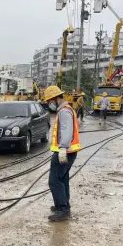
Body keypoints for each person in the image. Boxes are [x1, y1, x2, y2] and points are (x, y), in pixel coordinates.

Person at [44, 85, 81, 222]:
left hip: (65, 151)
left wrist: (63, 148)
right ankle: (64, 204)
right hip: (69, 151)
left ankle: (62, 209)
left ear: (55, 98)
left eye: (49, 101)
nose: (49, 104)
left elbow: (66, 131)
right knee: (63, 179)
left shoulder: (64, 112)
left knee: (54, 181)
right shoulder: (66, 109)